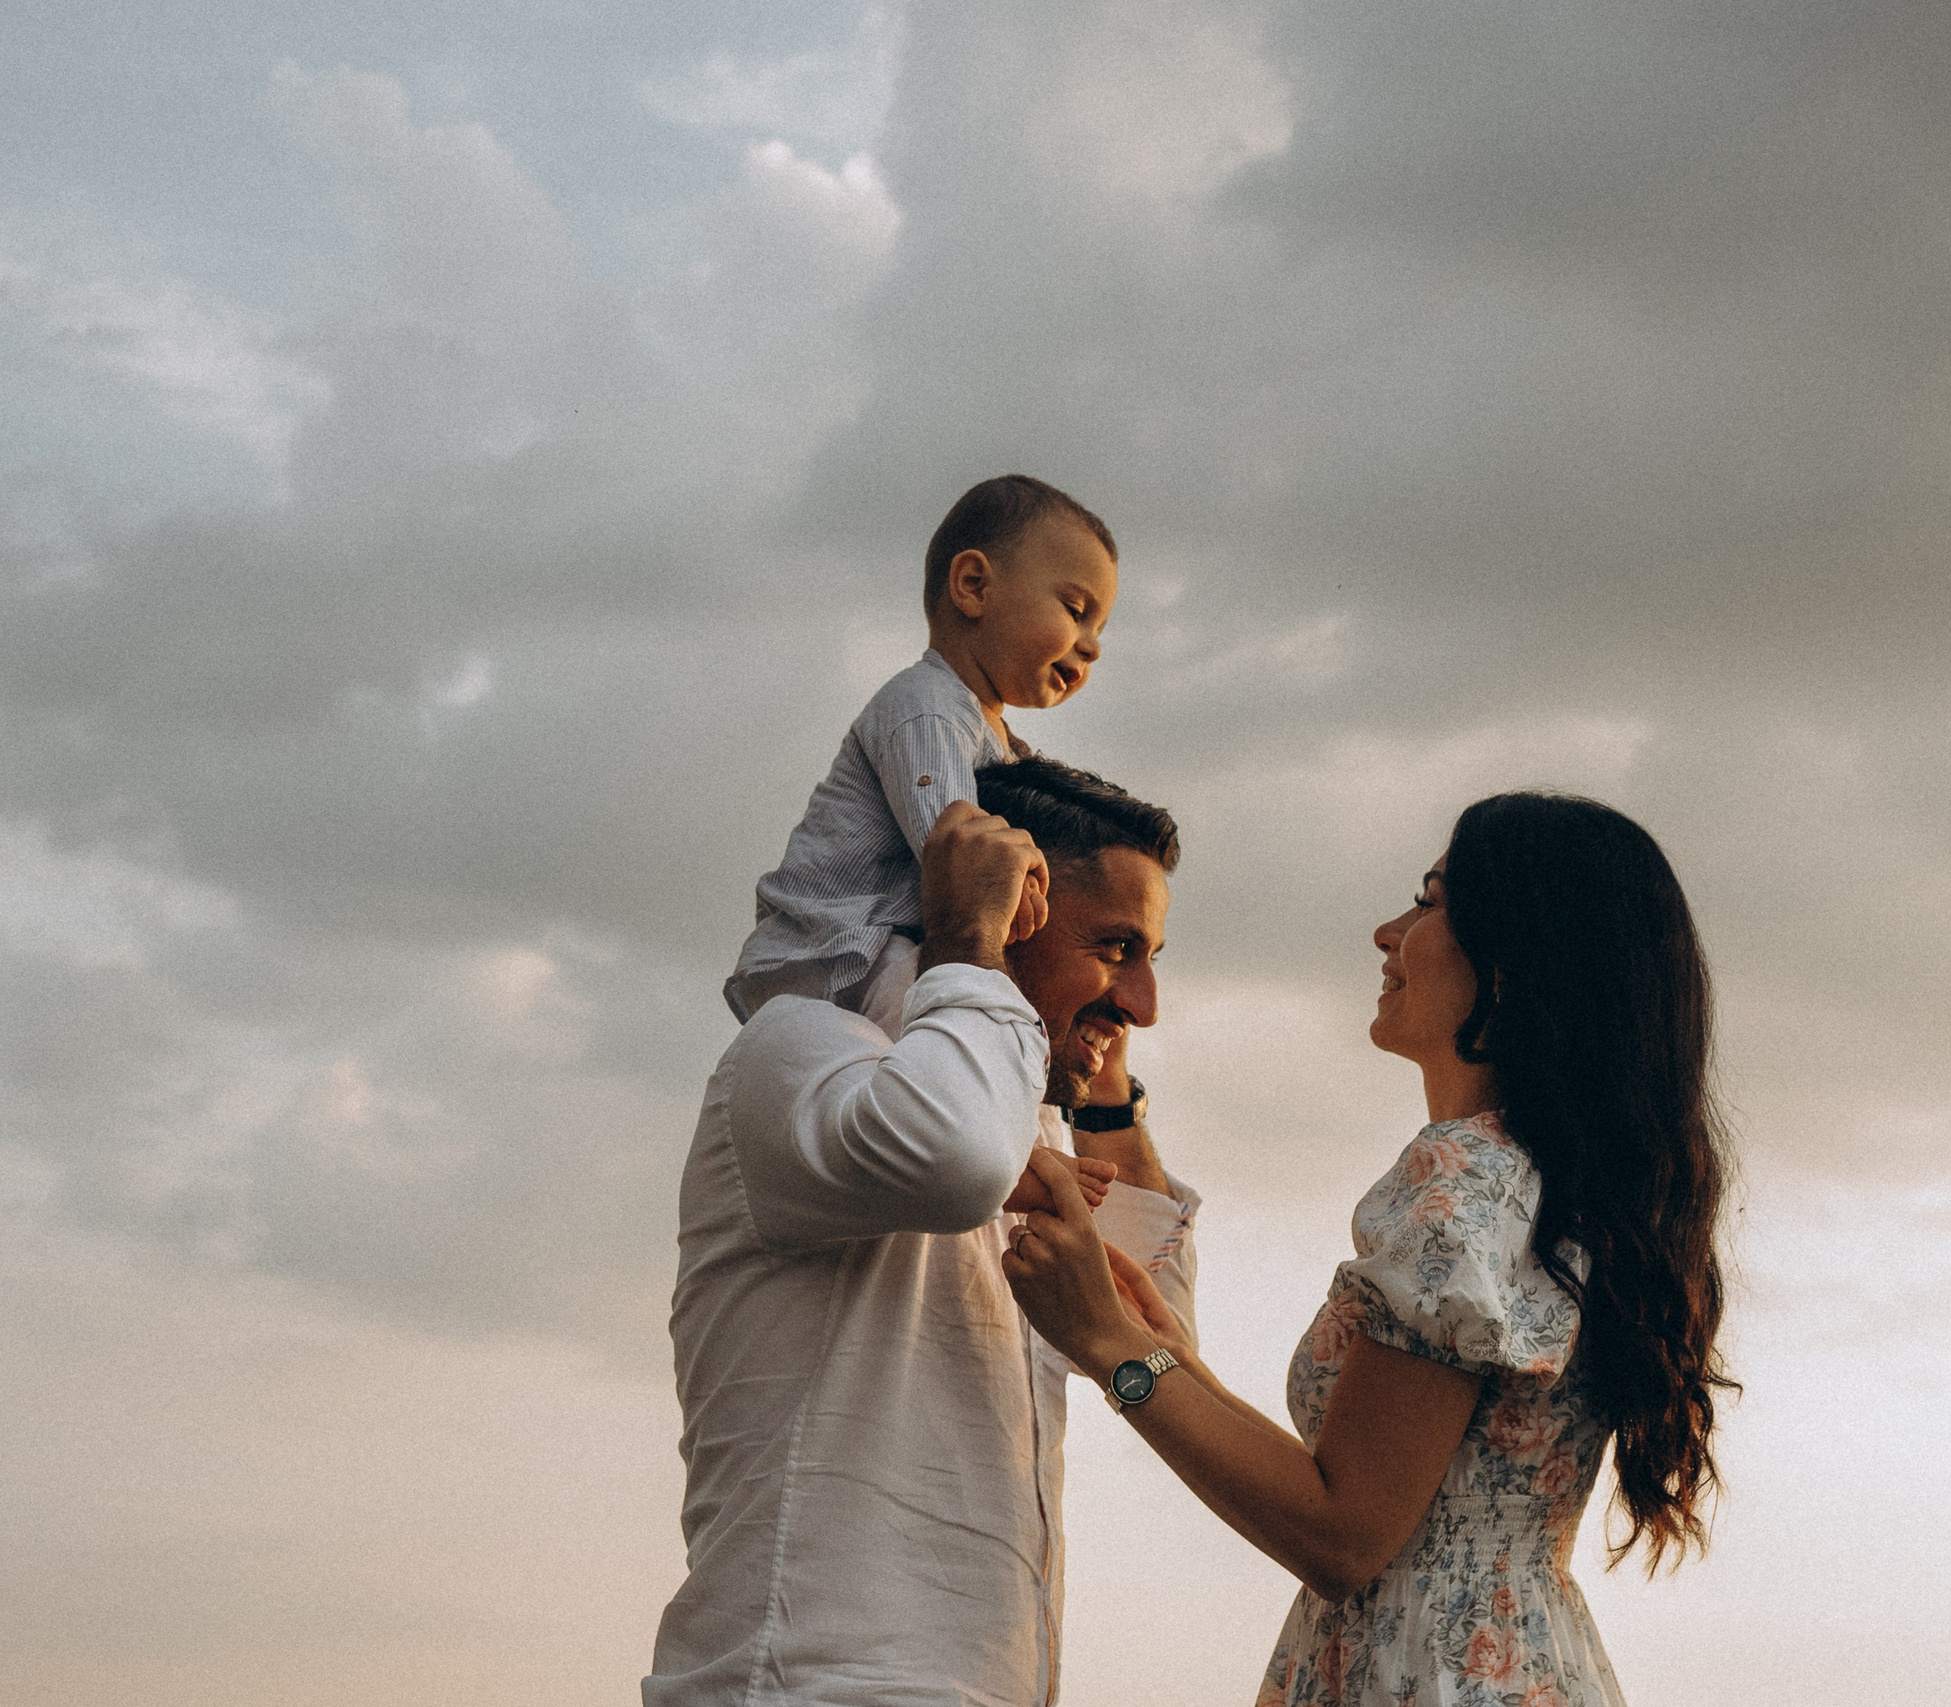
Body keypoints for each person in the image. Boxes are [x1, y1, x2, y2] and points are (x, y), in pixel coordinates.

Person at [1004, 792, 1738, 1707]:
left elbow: (1344, 1535)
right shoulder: (1548, 1185)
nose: (1390, 932)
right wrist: (1169, 1359)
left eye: (1430, 902)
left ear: (1513, 960)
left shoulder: (1461, 1179)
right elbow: (1369, 1479)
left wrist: (1111, 1346)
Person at [647, 756, 1198, 1707]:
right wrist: (966, 938)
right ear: (1008, 906)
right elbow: (957, 1162)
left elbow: (1158, 1336)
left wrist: (1103, 1073)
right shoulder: (799, 1053)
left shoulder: (1015, 1131)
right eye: (1116, 948)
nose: (1147, 1003)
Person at [724, 474, 1119, 1028]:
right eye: (1076, 610)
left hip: (877, 949)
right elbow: (957, 850)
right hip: (835, 948)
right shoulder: (927, 707)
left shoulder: (1006, 746)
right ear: (974, 586)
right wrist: (1021, 888)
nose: (1093, 646)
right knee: (964, 1019)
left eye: (1100, 628)